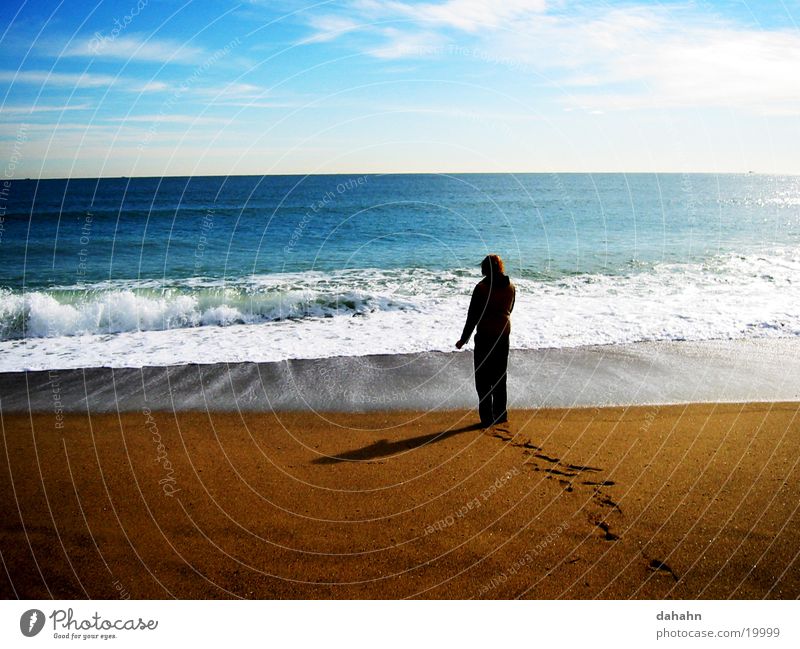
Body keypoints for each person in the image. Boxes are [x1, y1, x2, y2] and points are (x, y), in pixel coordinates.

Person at [456, 254, 516, 427]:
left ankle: (487, 418)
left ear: (485, 268)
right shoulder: (511, 287)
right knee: (499, 376)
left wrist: (463, 339)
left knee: (482, 378)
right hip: (503, 334)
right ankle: (501, 414)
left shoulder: (481, 288)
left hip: (485, 336)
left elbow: (472, 316)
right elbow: (510, 309)